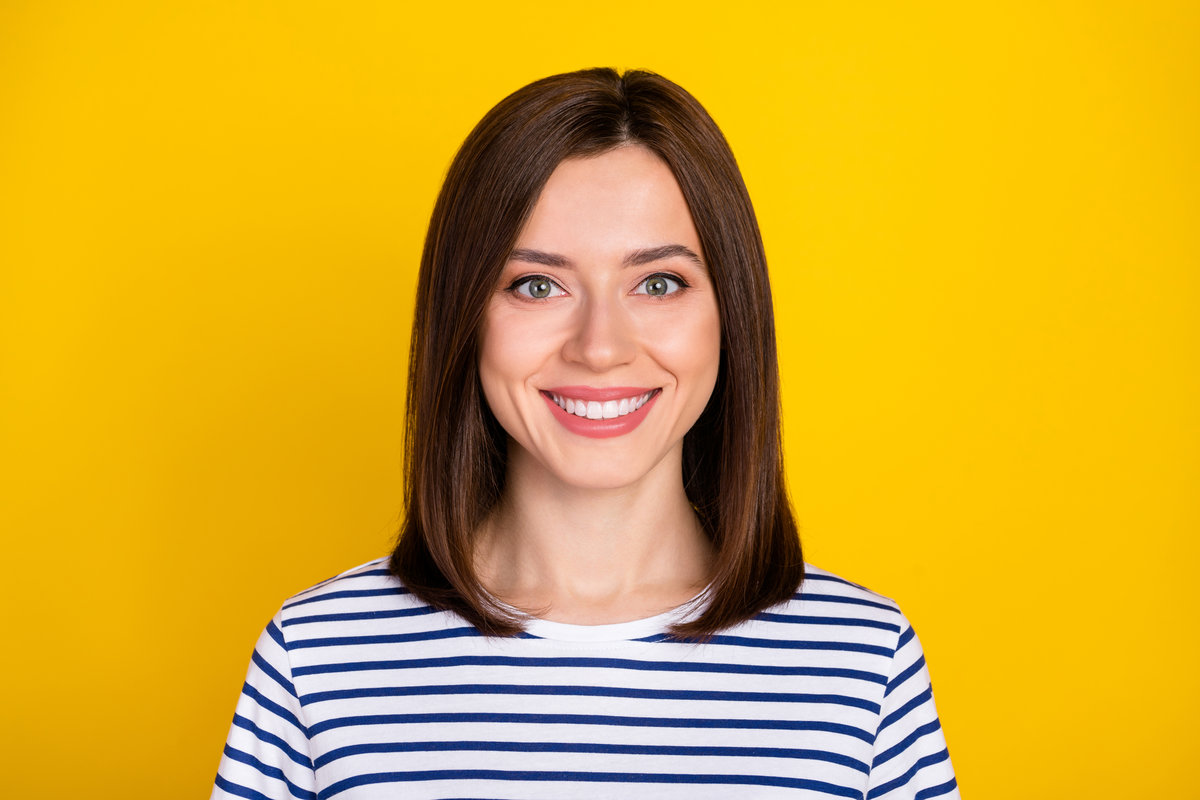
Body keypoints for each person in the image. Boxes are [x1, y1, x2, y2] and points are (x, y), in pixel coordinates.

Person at [212, 68, 958, 800]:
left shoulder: (862, 664)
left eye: (659, 282)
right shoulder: (318, 657)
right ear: (465, 317)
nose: (601, 346)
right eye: (537, 284)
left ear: (731, 313)